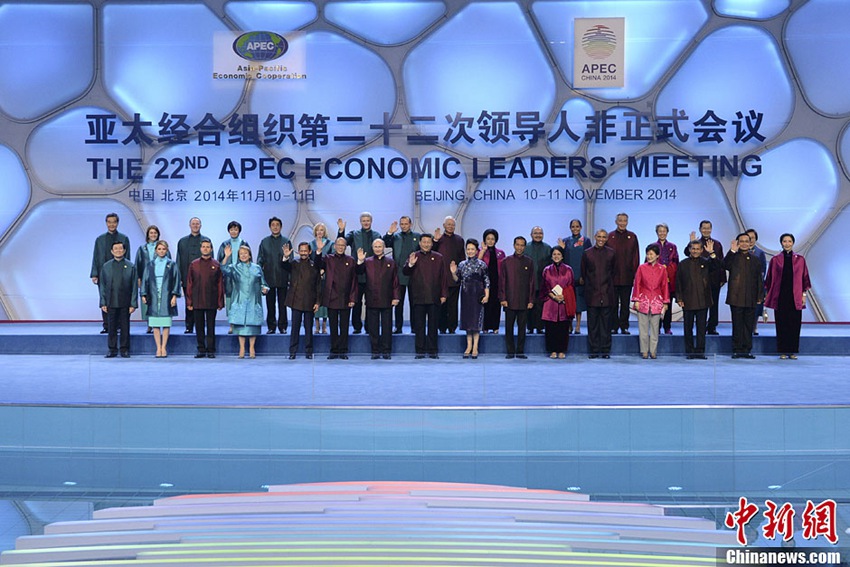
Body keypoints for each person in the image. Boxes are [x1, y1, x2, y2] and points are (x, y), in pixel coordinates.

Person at [764, 233, 811, 360]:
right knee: (781, 324)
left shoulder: (800, 259)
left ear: (793, 243)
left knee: (795, 324)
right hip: (780, 296)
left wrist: (804, 294)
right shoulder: (775, 259)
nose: (787, 243)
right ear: (781, 243)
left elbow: (805, 278)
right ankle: (783, 351)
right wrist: (767, 294)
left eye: (789, 241)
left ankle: (793, 351)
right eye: (784, 241)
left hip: (795, 296)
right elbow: (769, 279)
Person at [403, 233, 448, 359]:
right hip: (418, 297)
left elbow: (443, 277)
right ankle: (420, 351)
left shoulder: (438, 257)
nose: (426, 244)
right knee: (419, 326)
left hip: (434, 297)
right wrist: (410, 264)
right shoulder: (414, 256)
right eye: (424, 242)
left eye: (429, 242)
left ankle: (433, 351)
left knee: (433, 326)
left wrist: (443, 294)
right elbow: (405, 272)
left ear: (432, 244)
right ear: (420, 243)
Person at [222, 243, 269, 359]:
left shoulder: (257, 268)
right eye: (241, 254)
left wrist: (265, 289)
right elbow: (223, 269)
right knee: (241, 325)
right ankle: (242, 348)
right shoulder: (235, 267)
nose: (243, 255)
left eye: (245, 253)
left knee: (252, 325)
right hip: (240, 299)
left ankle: (252, 347)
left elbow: (264, 283)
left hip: (254, 299)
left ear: (250, 255)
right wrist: (226, 257)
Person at [337, 212, 382, 334]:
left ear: (371, 221)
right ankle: (357, 326)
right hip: (356, 273)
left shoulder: (377, 235)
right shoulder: (354, 234)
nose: (366, 222)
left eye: (368, 220)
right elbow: (342, 242)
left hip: (372, 275)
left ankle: (369, 326)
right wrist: (341, 231)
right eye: (363, 220)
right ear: (360, 222)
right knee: (356, 302)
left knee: (370, 302)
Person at [676, 239, 720, 359]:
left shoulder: (707, 262)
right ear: (689, 250)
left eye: (697, 249)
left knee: (701, 329)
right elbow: (678, 282)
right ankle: (690, 352)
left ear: (701, 250)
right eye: (693, 249)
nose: (695, 251)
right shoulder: (683, 264)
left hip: (703, 300)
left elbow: (717, 266)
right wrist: (679, 298)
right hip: (687, 300)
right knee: (688, 328)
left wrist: (712, 253)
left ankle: (700, 351)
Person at [357, 239, 400, 359]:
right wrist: (360, 261)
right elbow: (359, 272)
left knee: (387, 327)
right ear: (372, 248)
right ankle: (375, 351)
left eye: (379, 246)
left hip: (387, 299)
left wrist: (396, 297)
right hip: (372, 299)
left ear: (384, 247)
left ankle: (386, 351)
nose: (377, 249)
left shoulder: (391, 262)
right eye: (375, 246)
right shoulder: (367, 261)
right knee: (373, 328)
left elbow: (395, 281)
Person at [724, 233, 764, 359]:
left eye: (747, 241)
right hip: (736, 297)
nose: (744, 243)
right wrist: (732, 251)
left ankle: (747, 350)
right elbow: (724, 265)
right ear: (738, 243)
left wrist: (760, 295)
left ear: (750, 242)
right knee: (737, 325)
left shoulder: (755, 259)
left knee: (748, 325)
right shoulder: (733, 257)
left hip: (751, 297)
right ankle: (736, 349)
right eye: (741, 241)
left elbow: (759, 279)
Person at [91, 213, 130, 334]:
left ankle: (119, 325)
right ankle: (107, 325)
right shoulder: (100, 239)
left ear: (117, 223)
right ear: (106, 223)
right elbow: (96, 256)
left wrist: (128, 273)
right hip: (104, 274)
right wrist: (94, 273)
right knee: (105, 298)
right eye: (109, 222)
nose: (111, 224)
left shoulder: (124, 238)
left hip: (121, 273)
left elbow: (128, 257)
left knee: (120, 299)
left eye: (114, 222)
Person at [282, 242, 323, 359]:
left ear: (309, 252)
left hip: (310, 301)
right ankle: (292, 352)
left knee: (308, 328)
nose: (303, 253)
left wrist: (318, 302)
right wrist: (285, 257)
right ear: (298, 251)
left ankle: (309, 352)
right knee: (295, 328)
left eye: (305, 251)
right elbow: (284, 266)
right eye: (301, 251)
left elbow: (318, 285)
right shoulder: (294, 263)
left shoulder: (314, 265)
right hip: (296, 301)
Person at [140, 240, 180, 358]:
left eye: (163, 249)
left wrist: (174, 296)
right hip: (153, 294)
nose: (161, 251)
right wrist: (143, 294)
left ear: (167, 250)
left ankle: (164, 347)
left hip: (166, 294)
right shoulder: (150, 264)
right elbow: (145, 280)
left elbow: (176, 280)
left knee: (166, 323)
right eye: (159, 249)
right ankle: (158, 347)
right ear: (156, 251)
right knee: (155, 323)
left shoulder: (172, 264)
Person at [450, 238, 489, 359]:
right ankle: (468, 346)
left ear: (477, 250)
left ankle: (475, 347)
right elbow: (457, 280)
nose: (470, 251)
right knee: (467, 322)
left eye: (472, 249)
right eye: (468, 249)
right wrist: (453, 273)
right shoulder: (462, 264)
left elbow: (487, 281)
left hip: (478, 295)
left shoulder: (482, 265)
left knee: (476, 322)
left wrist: (487, 295)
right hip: (466, 295)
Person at [186, 238, 224, 358]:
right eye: (203, 246)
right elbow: (189, 283)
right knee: (199, 326)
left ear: (211, 249)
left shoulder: (216, 264)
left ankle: (211, 350)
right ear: (200, 249)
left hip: (212, 300)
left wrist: (220, 302)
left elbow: (220, 284)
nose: (205, 249)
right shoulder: (194, 264)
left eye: (208, 247)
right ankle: (201, 349)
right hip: (197, 300)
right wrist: (189, 301)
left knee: (211, 326)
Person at [99, 241, 137, 358]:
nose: (118, 251)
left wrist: (133, 304)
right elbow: (102, 286)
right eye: (116, 249)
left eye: (120, 249)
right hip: (111, 301)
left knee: (125, 326)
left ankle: (124, 349)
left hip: (125, 301)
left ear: (124, 251)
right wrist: (103, 302)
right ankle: (112, 349)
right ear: (112, 251)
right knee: (111, 327)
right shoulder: (106, 266)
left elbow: (134, 286)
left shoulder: (131, 266)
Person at [581, 229, 616, 359]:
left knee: (606, 325)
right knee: (593, 325)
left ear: (607, 238)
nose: (601, 239)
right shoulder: (587, 253)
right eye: (599, 236)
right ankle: (594, 350)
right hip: (592, 294)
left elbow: (613, 272)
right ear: (595, 237)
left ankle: (605, 351)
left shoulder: (611, 253)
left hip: (607, 294)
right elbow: (584, 273)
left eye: (603, 237)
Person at [632, 244, 670, 359]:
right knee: (643, 328)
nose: (649, 256)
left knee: (655, 328)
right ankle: (644, 351)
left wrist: (665, 302)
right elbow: (637, 284)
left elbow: (665, 286)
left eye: (651, 254)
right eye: (648, 254)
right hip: (643, 300)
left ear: (657, 255)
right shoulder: (641, 268)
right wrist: (636, 300)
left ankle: (653, 351)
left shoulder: (662, 269)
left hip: (657, 301)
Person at [499, 236, 535, 359]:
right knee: (508, 328)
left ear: (525, 247)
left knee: (522, 328)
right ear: (514, 245)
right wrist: (503, 298)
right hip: (509, 300)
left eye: (522, 245)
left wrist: (531, 300)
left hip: (524, 300)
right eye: (517, 245)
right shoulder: (506, 261)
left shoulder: (529, 262)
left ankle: (520, 351)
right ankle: (510, 351)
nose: (519, 247)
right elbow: (502, 281)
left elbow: (532, 282)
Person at [322, 237, 358, 359]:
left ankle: (343, 351)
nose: (341, 247)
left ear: (346, 247)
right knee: (333, 326)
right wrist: (319, 251)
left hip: (345, 298)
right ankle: (333, 350)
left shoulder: (351, 260)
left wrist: (352, 298)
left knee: (344, 326)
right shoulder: (328, 258)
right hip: (331, 297)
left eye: (343, 245)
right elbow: (317, 265)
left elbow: (354, 281)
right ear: (335, 246)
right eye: (339, 245)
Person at [383, 215, 420, 334]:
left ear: (410, 224)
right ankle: (398, 327)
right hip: (399, 274)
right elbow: (385, 243)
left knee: (414, 302)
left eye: (406, 224)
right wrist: (390, 232)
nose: (404, 226)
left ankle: (415, 327)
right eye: (402, 224)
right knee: (398, 302)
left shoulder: (417, 236)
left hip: (414, 274)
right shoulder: (395, 237)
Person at [541, 246, 576, 359]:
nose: (556, 256)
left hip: (564, 302)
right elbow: (545, 287)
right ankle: (552, 350)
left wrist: (564, 296)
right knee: (551, 328)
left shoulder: (569, 269)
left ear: (562, 256)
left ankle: (562, 350)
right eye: (554, 254)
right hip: (550, 302)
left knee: (563, 328)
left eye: (559, 254)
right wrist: (554, 297)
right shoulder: (547, 270)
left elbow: (571, 286)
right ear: (551, 256)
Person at [257, 216, 291, 335]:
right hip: (269, 278)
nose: (275, 227)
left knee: (283, 304)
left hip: (283, 277)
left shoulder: (286, 241)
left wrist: (290, 279)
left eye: (277, 225)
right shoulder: (264, 242)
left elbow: (290, 261)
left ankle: (283, 326)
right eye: (273, 225)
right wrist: (260, 278)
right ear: (270, 227)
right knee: (270, 304)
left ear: (281, 227)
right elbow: (260, 260)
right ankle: (271, 327)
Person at [607, 212, 639, 334]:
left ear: (627, 222)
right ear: (616, 222)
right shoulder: (610, 236)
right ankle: (613, 326)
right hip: (612, 277)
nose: (622, 223)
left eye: (624, 221)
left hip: (627, 276)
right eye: (620, 220)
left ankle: (624, 326)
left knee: (625, 304)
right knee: (613, 304)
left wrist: (635, 275)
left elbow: (636, 257)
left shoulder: (632, 237)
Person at [433, 216, 465, 334]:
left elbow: (462, 258)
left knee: (453, 305)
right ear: (444, 225)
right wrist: (435, 241)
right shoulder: (438, 239)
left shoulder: (459, 240)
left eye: (453, 225)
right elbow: (432, 253)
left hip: (454, 278)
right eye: (448, 224)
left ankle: (452, 327)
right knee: (442, 304)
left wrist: (459, 274)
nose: (451, 226)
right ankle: (441, 327)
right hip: (440, 278)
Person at [177, 217, 209, 334]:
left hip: (203, 279)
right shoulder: (182, 241)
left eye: (197, 224)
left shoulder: (206, 241)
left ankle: (201, 326)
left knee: (202, 303)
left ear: (201, 225)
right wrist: (179, 277)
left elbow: (211, 260)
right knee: (189, 302)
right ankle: (189, 326)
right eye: (193, 224)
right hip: (187, 278)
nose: (195, 225)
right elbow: (178, 260)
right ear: (190, 225)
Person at [693, 220, 725, 335]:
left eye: (708, 228)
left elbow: (721, 262)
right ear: (700, 229)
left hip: (714, 279)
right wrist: (691, 242)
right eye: (704, 228)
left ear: (711, 229)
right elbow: (688, 253)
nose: (706, 230)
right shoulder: (696, 244)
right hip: (699, 280)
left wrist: (722, 278)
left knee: (714, 304)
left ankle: (712, 326)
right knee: (700, 305)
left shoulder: (717, 244)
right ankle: (701, 326)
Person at [561, 219, 591, 334]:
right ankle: (569, 325)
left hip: (580, 275)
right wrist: (561, 248)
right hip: (568, 275)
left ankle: (578, 326)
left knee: (579, 301)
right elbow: (561, 258)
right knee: (568, 300)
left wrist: (585, 275)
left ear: (581, 227)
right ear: (570, 228)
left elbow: (589, 258)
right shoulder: (565, 241)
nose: (575, 228)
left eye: (577, 226)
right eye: (573, 226)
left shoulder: (586, 240)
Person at [135, 225, 165, 334]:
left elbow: (169, 263)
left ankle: (158, 323)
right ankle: (149, 324)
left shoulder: (163, 248)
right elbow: (137, 264)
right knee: (147, 302)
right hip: (146, 279)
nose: (153, 235)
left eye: (155, 233)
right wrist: (138, 278)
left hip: (159, 279)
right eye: (151, 233)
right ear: (148, 235)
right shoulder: (142, 249)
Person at [217, 221, 246, 334]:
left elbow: (249, 260)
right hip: (228, 277)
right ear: (229, 231)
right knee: (230, 301)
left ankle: (241, 324)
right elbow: (219, 262)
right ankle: (232, 325)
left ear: (239, 231)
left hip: (241, 277)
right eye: (231, 229)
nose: (233, 231)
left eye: (236, 229)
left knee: (241, 301)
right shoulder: (224, 245)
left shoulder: (244, 243)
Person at [524, 226, 551, 334]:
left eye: (540, 233)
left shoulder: (548, 248)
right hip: (528, 282)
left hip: (542, 283)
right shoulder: (526, 247)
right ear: (531, 235)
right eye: (535, 233)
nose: (538, 235)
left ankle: (540, 327)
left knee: (541, 306)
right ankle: (529, 327)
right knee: (529, 305)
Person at [654, 223, 679, 335]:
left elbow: (676, 262)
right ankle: (657, 327)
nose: (662, 233)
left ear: (667, 232)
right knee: (657, 305)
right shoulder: (653, 246)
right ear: (657, 232)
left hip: (669, 281)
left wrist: (667, 268)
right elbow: (648, 262)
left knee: (668, 305)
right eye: (660, 231)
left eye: (664, 231)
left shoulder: (673, 246)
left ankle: (667, 327)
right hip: (656, 281)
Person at [479, 228, 505, 333]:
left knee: (496, 304)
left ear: (496, 240)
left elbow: (503, 269)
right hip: (484, 282)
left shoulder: (501, 253)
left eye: (492, 239)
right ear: (484, 240)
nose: (490, 241)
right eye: (488, 239)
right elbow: (477, 264)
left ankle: (495, 327)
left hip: (497, 282)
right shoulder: (481, 251)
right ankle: (485, 327)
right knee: (485, 304)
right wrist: (483, 251)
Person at [310, 222, 332, 334]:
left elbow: (332, 259)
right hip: (314, 274)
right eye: (318, 230)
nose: (319, 232)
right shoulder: (311, 244)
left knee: (325, 299)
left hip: (327, 275)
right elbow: (310, 260)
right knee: (315, 298)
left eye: (322, 230)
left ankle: (324, 325)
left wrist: (324, 270)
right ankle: (317, 325)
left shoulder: (330, 244)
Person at [746, 228, 768, 336]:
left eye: (753, 238)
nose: (750, 240)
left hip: (756, 284)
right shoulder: (739, 251)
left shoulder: (760, 253)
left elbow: (763, 269)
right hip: (743, 285)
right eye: (748, 238)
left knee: (756, 308)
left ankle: (754, 327)